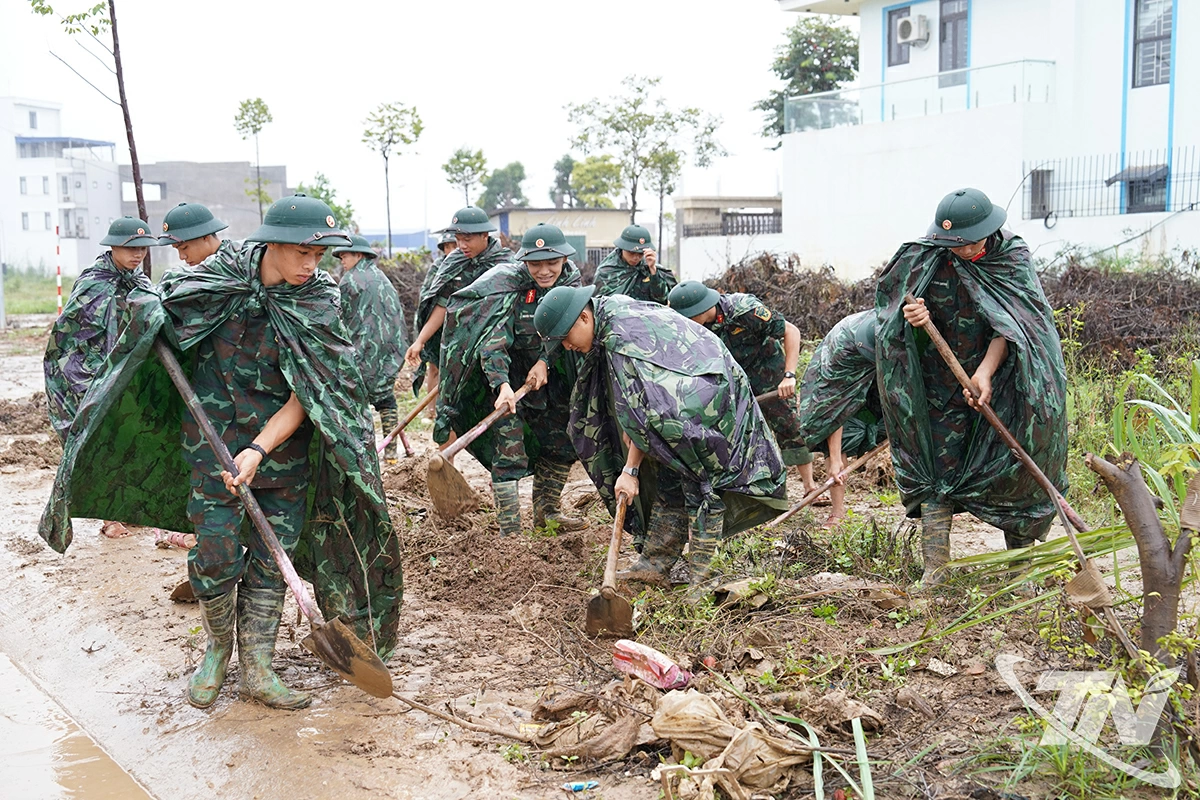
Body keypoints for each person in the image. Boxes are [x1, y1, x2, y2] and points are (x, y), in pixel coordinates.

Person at [40, 194, 403, 711]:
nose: (310, 265)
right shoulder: (215, 279)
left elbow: (313, 395)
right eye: (301, 252)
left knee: (273, 562)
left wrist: (259, 449)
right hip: (210, 444)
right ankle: (215, 651)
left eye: (319, 255)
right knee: (214, 553)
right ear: (270, 244)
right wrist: (146, 316)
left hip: (282, 453)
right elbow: (158, 320)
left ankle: (258, 667)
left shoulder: (319, 299)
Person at [534, 285, 787, 600]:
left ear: (583, 318)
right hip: (688, 389)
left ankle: (702, 581)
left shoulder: (621, 342)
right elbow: (644, 415)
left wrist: (630, 470)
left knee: (700, 483)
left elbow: (648, 415)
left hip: (707, 397)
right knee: (669, 476)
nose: (567, 347)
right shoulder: (609, 312)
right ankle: (656, 562)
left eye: (565, 337)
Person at [876, 187, 1068, 587]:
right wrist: (913, 316)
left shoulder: (1011, 257)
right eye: (955, 245)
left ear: (988, 230)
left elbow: (1017, 325)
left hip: (1009, 380)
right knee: (936, 466)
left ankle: (1021, 571)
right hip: (938, 385)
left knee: (1016, 466)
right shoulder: (926, 256)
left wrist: (985, 374)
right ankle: (937, 570)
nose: (962, 251)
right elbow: (893, 321)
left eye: (969, 243)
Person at [435, 223, 585, 536]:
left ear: (564, 261)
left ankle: (548, 513)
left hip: (556, 382)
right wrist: (501, 384)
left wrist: (545, 361)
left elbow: (573, 332)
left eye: (551, 263)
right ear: (524, 262)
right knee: (509, 449)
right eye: (535, 264)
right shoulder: (507, 285)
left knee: (562, 442)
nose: (544, 271)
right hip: (509, 379)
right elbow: (493, 340)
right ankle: (510, 532)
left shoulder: (572, 283)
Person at [43, 216, 163, 539]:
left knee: (131, 441)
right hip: (85, 377)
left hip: (123, 376)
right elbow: (68, 341)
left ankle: (128, 509)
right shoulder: (93, 283)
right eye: (131, 248)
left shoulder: (138, 282)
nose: (138, 254)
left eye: (143, 248)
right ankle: (110, 518)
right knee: (102, 444)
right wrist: (95, 380)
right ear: (113, 246)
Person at [668, 281, 819, 496]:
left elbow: (791, 331)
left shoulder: (744, 310)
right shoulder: (694, 327)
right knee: (734, 433)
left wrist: (789, 375)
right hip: (732, 380)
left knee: (788, 426)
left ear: (701, 309)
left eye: (688, 316)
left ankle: (810, 486)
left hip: (767, 374)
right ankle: (749, 489)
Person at [406, 207, 512, 400]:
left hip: (494, 352)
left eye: (467, 239)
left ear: (484, 235)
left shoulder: (505, 265)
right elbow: (443, 305)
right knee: (453, 413)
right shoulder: (454, 262)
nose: (461, 245)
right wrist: (420, 341)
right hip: (458, 349)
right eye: (458, 239)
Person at [796, 310, 886, 526]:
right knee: (837, 447)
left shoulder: (896, 329)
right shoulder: (841, 350)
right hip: (836, 389)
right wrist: (836, 458)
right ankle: (837, 513)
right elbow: (835, 409)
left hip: (882, 373)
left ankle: (931, 502)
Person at [333, 234, 408, 462]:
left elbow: (338, 318)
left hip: (365, 350)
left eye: (344, 256)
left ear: (358, 255)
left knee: (355, 400)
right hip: (393, 349)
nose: (341, 261)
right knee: (386, 399)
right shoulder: (381, 277)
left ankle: (361, 453)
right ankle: (392, 452)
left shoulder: (349, 281)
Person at [414, 230, 459, 402]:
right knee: (434, 367)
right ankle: (431, 409)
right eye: (447, 247)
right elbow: (427, 296)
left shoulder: (468, 264)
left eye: (453, 246)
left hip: (457, 327)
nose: (451, 250)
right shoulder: (438, 267)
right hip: (437, 325)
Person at [591, 224, 676, 304]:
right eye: (631, 253)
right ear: (622, 248)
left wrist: (653, 270)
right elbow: (599, 304)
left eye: (640, 254)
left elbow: (662, 300)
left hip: (647, 316)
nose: (636, 258)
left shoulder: (648, 268)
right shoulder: (607, 271)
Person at [158, 202, 238, 267]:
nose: (182, 257)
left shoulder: (238, 262)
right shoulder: (201, 272)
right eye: (177, 250)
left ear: (205, 237)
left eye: (184, 247)